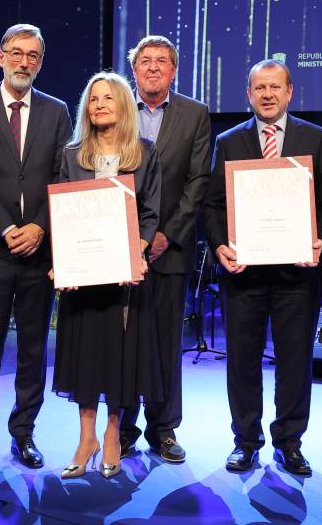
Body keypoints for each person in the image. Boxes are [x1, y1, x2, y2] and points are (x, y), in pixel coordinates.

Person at [202, 59, 322, 475]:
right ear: (249, 94)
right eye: (259, 87)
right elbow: (213, 204)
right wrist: (220, 245)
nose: (267, 94)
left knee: (295, 361)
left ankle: (289, 442)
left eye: (275, 87)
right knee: (242, 361)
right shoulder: (228, 141)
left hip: (297, 274)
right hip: (243, 275)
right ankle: (245, 442)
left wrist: (320, 243)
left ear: (289, 92)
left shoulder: (315, 138)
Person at [0, 24, 72, 470]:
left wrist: (40, 227)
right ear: (1, 57)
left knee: (32, 347)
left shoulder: (57, 111)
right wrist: (7, 228)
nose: (24, 62)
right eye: (17, 53)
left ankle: (24, 432)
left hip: (39, 249)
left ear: (40, 63)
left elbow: (63, 175)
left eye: (33, 56)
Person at [52, 72, 163, 478]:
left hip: (124, 280)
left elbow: (150, 213)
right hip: (83, 278)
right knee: (84, 355)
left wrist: (136, 253)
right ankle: (87, 438)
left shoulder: (145, 153)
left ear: (123, 105)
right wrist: (63, 260)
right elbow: (62, 212)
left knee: (118, 355)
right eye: (93, 98)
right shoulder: (72, 155)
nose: (99, 105)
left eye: (107, 98)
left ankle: (113, 434)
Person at [117, 36, 212, 464]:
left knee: (166, 342)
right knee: (122, 341)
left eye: (162, 61)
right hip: (118, 247)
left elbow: (197, 181)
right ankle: (122, 428)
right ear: (134, 69)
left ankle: (164, 429)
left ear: (174, 70)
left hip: (169, 250)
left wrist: (165, 235)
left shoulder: (195, 114)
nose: (153, 67)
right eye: (145, 61)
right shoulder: (116, 107)